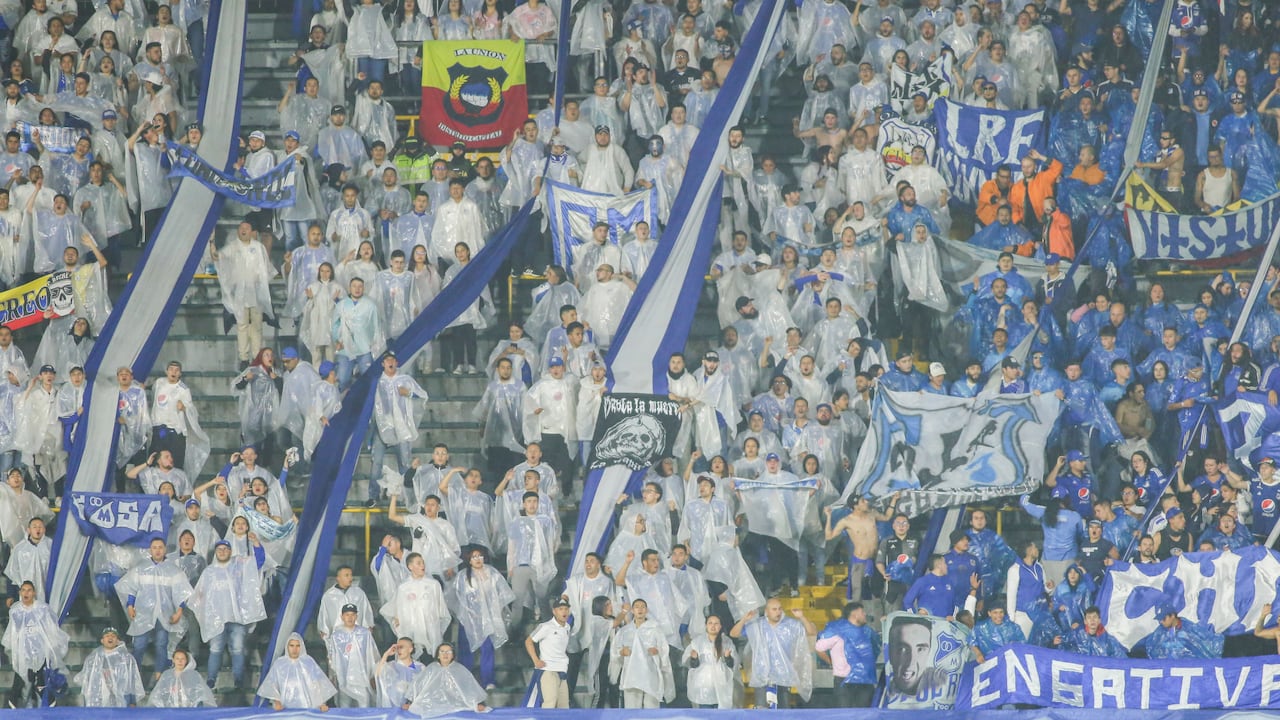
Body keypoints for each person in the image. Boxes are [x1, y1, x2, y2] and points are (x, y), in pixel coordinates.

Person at [189, 536, 267, 689]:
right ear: (216, 552)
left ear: (230, 551)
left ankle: (238, 680)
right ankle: (211, 679)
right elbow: (199, 595)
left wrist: (256, 544)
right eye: (219, 549)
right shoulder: (209, 572)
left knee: (237, 649)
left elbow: (258, 562)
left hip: (236, 618)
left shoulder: (239, 566)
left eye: (225, 549)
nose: (222, 552)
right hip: (217, 619)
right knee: (215, 649)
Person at [114, 538, 193, 683]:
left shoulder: (173, 571)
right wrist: (130, 606)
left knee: (161, 645)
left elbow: (181, 592)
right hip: (143, 614)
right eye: (155, 547)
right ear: (150, 550)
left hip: (165, 614)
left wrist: (179, 612)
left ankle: (159, 677)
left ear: (165, 549)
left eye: (160, 547)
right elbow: (131, 588)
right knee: (139, 645)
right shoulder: (140, 568)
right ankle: (134, 677)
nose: (157, 550)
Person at [729, 598, 816, 708]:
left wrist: (802, 617)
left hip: (783, 676)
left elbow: (812, 632)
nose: (778, 612)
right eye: (774, 609)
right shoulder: (757, 626)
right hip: (762, 676)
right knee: (762, 710)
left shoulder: (790, 625)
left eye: (780, 609)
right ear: (767, 611)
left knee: (783, 710)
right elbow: (733, 634)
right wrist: (743, 620)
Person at [448, 547, 515, 690]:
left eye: (480, 556)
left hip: (487, 618)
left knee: (487, 648)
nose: (477, 559)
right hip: (469, 618)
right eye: (474, 557)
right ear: (469, 560)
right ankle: (465, 682)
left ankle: (488, 680)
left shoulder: (492, 573)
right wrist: (469, 612)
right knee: (466, 650)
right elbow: (457, 596)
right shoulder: (463, 576)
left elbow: (502, 593)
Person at [2, 581, 69, 709]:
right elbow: (13, 633)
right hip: (23, 654)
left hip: (40, 653)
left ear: (34, 593)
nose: (26, 593)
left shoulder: (42, 609)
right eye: (23, 590)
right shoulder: (15, 610)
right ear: (20, 592)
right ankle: (12, 710)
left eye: (29, 590)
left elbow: (51, 630)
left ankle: (52, 710)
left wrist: (50, 650)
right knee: (19, 682)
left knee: (41, 684)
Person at [814, 602, 879, 707]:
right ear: (854, 615)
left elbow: (875, 649)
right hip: (844, 681)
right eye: (862, 612)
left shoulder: (867, 632)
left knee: (865, 714)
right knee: (845, 714)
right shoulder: (836, 631)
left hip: (865, 681)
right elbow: (818, 648)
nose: (865, 614)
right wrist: (830, 662)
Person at [613, 597, 675, 708]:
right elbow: (615, 651)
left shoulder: (655, 629)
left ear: (646, 610)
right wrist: (622, 652)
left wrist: (657, 651)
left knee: (651, 709)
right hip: (631, 675)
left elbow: (664, 649)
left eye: (643, 607)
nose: (640, 609)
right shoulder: (625, 631)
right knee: (632, 709)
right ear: (632, 611)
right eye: (637, 607)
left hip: (650, 674)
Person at [258, 633, 337, 711]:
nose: (294, 649)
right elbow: (272, 685)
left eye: (298, 646)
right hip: (285, 708)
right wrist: (277, 702)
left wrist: (321, 704)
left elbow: (317, 684)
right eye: (292, 645)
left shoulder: (308, 662)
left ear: (301, 646)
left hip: (307, 708)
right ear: (287, 646)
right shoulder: (279, 664)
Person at [406, 642, 489, 715]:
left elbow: (470, 688)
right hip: (433, 703)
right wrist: (410, 702)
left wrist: (479, 703)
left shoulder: (460, 669)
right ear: (438, 655)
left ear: (453, 655)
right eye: (442, 651)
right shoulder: (431, 669)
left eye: (448, 652)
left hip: (456, 704)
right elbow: (418, 685)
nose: (445, 654)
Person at [77, 627, 145, 707]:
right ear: (102, 640)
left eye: (113, 636)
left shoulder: (127, 659)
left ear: (117, 641)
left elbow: (131, 682)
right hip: (99, 699)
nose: (110, 638)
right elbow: (88, 684)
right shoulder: (93, 659)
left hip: (121, 700)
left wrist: (132, 701)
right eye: (107, 636)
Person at [328, 603, 380, 707]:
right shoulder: (336, 636)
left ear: (356, 616)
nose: (350, 617)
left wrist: (374, 675)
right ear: (342, 617)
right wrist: (332, 677)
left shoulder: (365, 634)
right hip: (343, 679)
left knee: (364, 706)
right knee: (344, 708)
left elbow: (373, 655)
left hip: (362, 679)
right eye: (347, 615)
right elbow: (331, 658)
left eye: (352, 615)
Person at [683, 614, 739, 709]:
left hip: (721, 683)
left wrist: (727, 657)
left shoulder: (727, 642)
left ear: (720, 626)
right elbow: (691, 665)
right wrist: (694, 658)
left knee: (721, 711)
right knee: (705, 712)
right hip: (704, 684)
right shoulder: (697, 642)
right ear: (706, 625)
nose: (713, 626)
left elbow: (733, 665)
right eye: (710, 623)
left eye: (716, 623)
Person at [525, 596, 573, 708]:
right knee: (549, 704)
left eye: (566, 609)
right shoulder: (545, 626)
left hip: (562, 670)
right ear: (554, 611)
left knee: (564, 707)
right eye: (560, 609)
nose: (564, 612)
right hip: (548, 670)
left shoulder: (567, 627)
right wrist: (536, 660)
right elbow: (529, 641)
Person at [148, 649, 217, 707]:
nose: (180, 661)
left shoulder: (194, 675)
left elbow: (199, 694)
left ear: (186, 661)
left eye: (182, 659)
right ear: (173, 660)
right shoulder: (167, 674)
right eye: (177, 659)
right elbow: (159, 694)